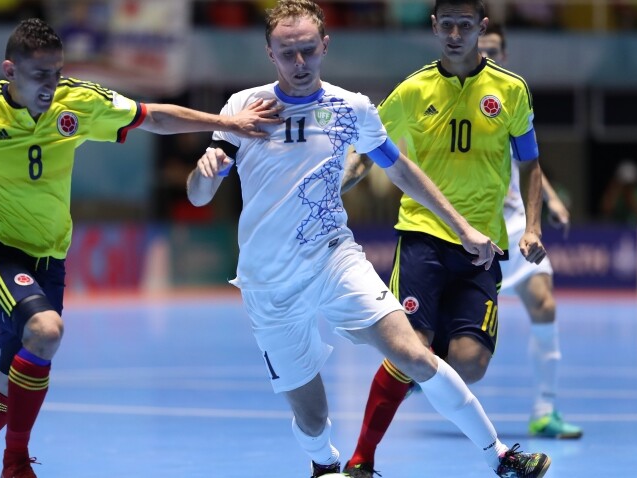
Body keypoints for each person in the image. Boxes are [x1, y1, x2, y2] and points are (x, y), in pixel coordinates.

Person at [0, 18, 281, 478]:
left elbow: (153, 116)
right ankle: (15, 464)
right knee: (46, 331)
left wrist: (227, 122)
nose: (51, 85)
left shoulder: (78, 102)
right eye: (39, 75)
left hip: (49, 260)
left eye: (57, 72)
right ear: (10, 70)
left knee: (14, 380)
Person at [186, 1, 550, 477]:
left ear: (325, 47)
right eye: (287, 53)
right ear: (269, 52)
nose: (300, 64)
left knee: (412, 353)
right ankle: (326, 465)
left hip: (334, 259)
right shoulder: (242, 108)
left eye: (308, 51)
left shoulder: (351, 107)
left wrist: (463, 229)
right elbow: (197, 196)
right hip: (268, 282)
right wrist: (205, 174)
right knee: (311, 416)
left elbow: (400, 169)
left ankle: (500, 456)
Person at [339, 1, 549, 477]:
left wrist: (533, 226)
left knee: (470, 364)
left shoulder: (511, 91)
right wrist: (338, 186)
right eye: (447, 24)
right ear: (434, 26)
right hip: (423, 236)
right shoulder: (413, 90)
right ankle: (361, 459)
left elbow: (531, 162)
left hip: (483, 246)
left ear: (482, 27)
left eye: (465, 25)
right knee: (410, 347)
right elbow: (368, 150)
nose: (455, 33)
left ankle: (416, 371)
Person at [479, 23, 583, 440]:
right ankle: (417, 366)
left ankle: (545, 409)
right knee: (453, 333)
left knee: (544, 304)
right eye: (479, 47)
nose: (485, 55)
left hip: (516, 221)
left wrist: (551, 201)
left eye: (492, 49)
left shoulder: (511, 97)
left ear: (503, 54)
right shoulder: (449, 95)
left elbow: (528, 161)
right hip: (472, 225)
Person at [600, 159, 637, 225]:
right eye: (625, 185)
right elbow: (605, 210)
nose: (628, 188)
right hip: (617, 230)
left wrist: (632, 201)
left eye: (631, 185)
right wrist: (613, 193)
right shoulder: (615, 192)